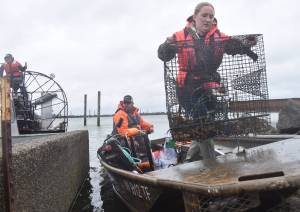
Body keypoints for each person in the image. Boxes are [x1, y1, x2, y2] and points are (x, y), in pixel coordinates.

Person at [157, 2, 258, 161]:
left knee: (206, 123)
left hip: (206, 87)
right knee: (203, 122)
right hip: (186, 89)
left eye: (211, 16)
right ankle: (212, 164)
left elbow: (234, 47)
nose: (208, 19)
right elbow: (163, 55)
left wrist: (247, 44)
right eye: (204, 15)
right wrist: (166, 45)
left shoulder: (219, 37)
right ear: (195, 17)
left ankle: (189, 159)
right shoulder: (180, 36)